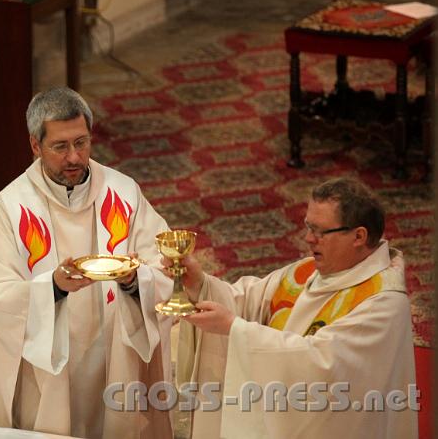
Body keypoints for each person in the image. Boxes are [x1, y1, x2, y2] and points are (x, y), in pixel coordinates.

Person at [0, 87, 173, 439]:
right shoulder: (10, 207)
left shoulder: (122, 192)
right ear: (35, 146)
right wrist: (52, 286)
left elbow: (161, 264)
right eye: (60, 147)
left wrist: (132, 280)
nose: (74, 158)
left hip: (115, 352)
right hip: (48, 364)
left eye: (81, 143)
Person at [170, 177, 417, 439]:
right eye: (308, 226)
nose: (309, 239)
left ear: (359, 236)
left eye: (321, 231)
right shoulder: (307, 271)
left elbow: (324, 365)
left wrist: (234, 328)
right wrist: (200, 284)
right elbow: (248, 300)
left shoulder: (383, 302)